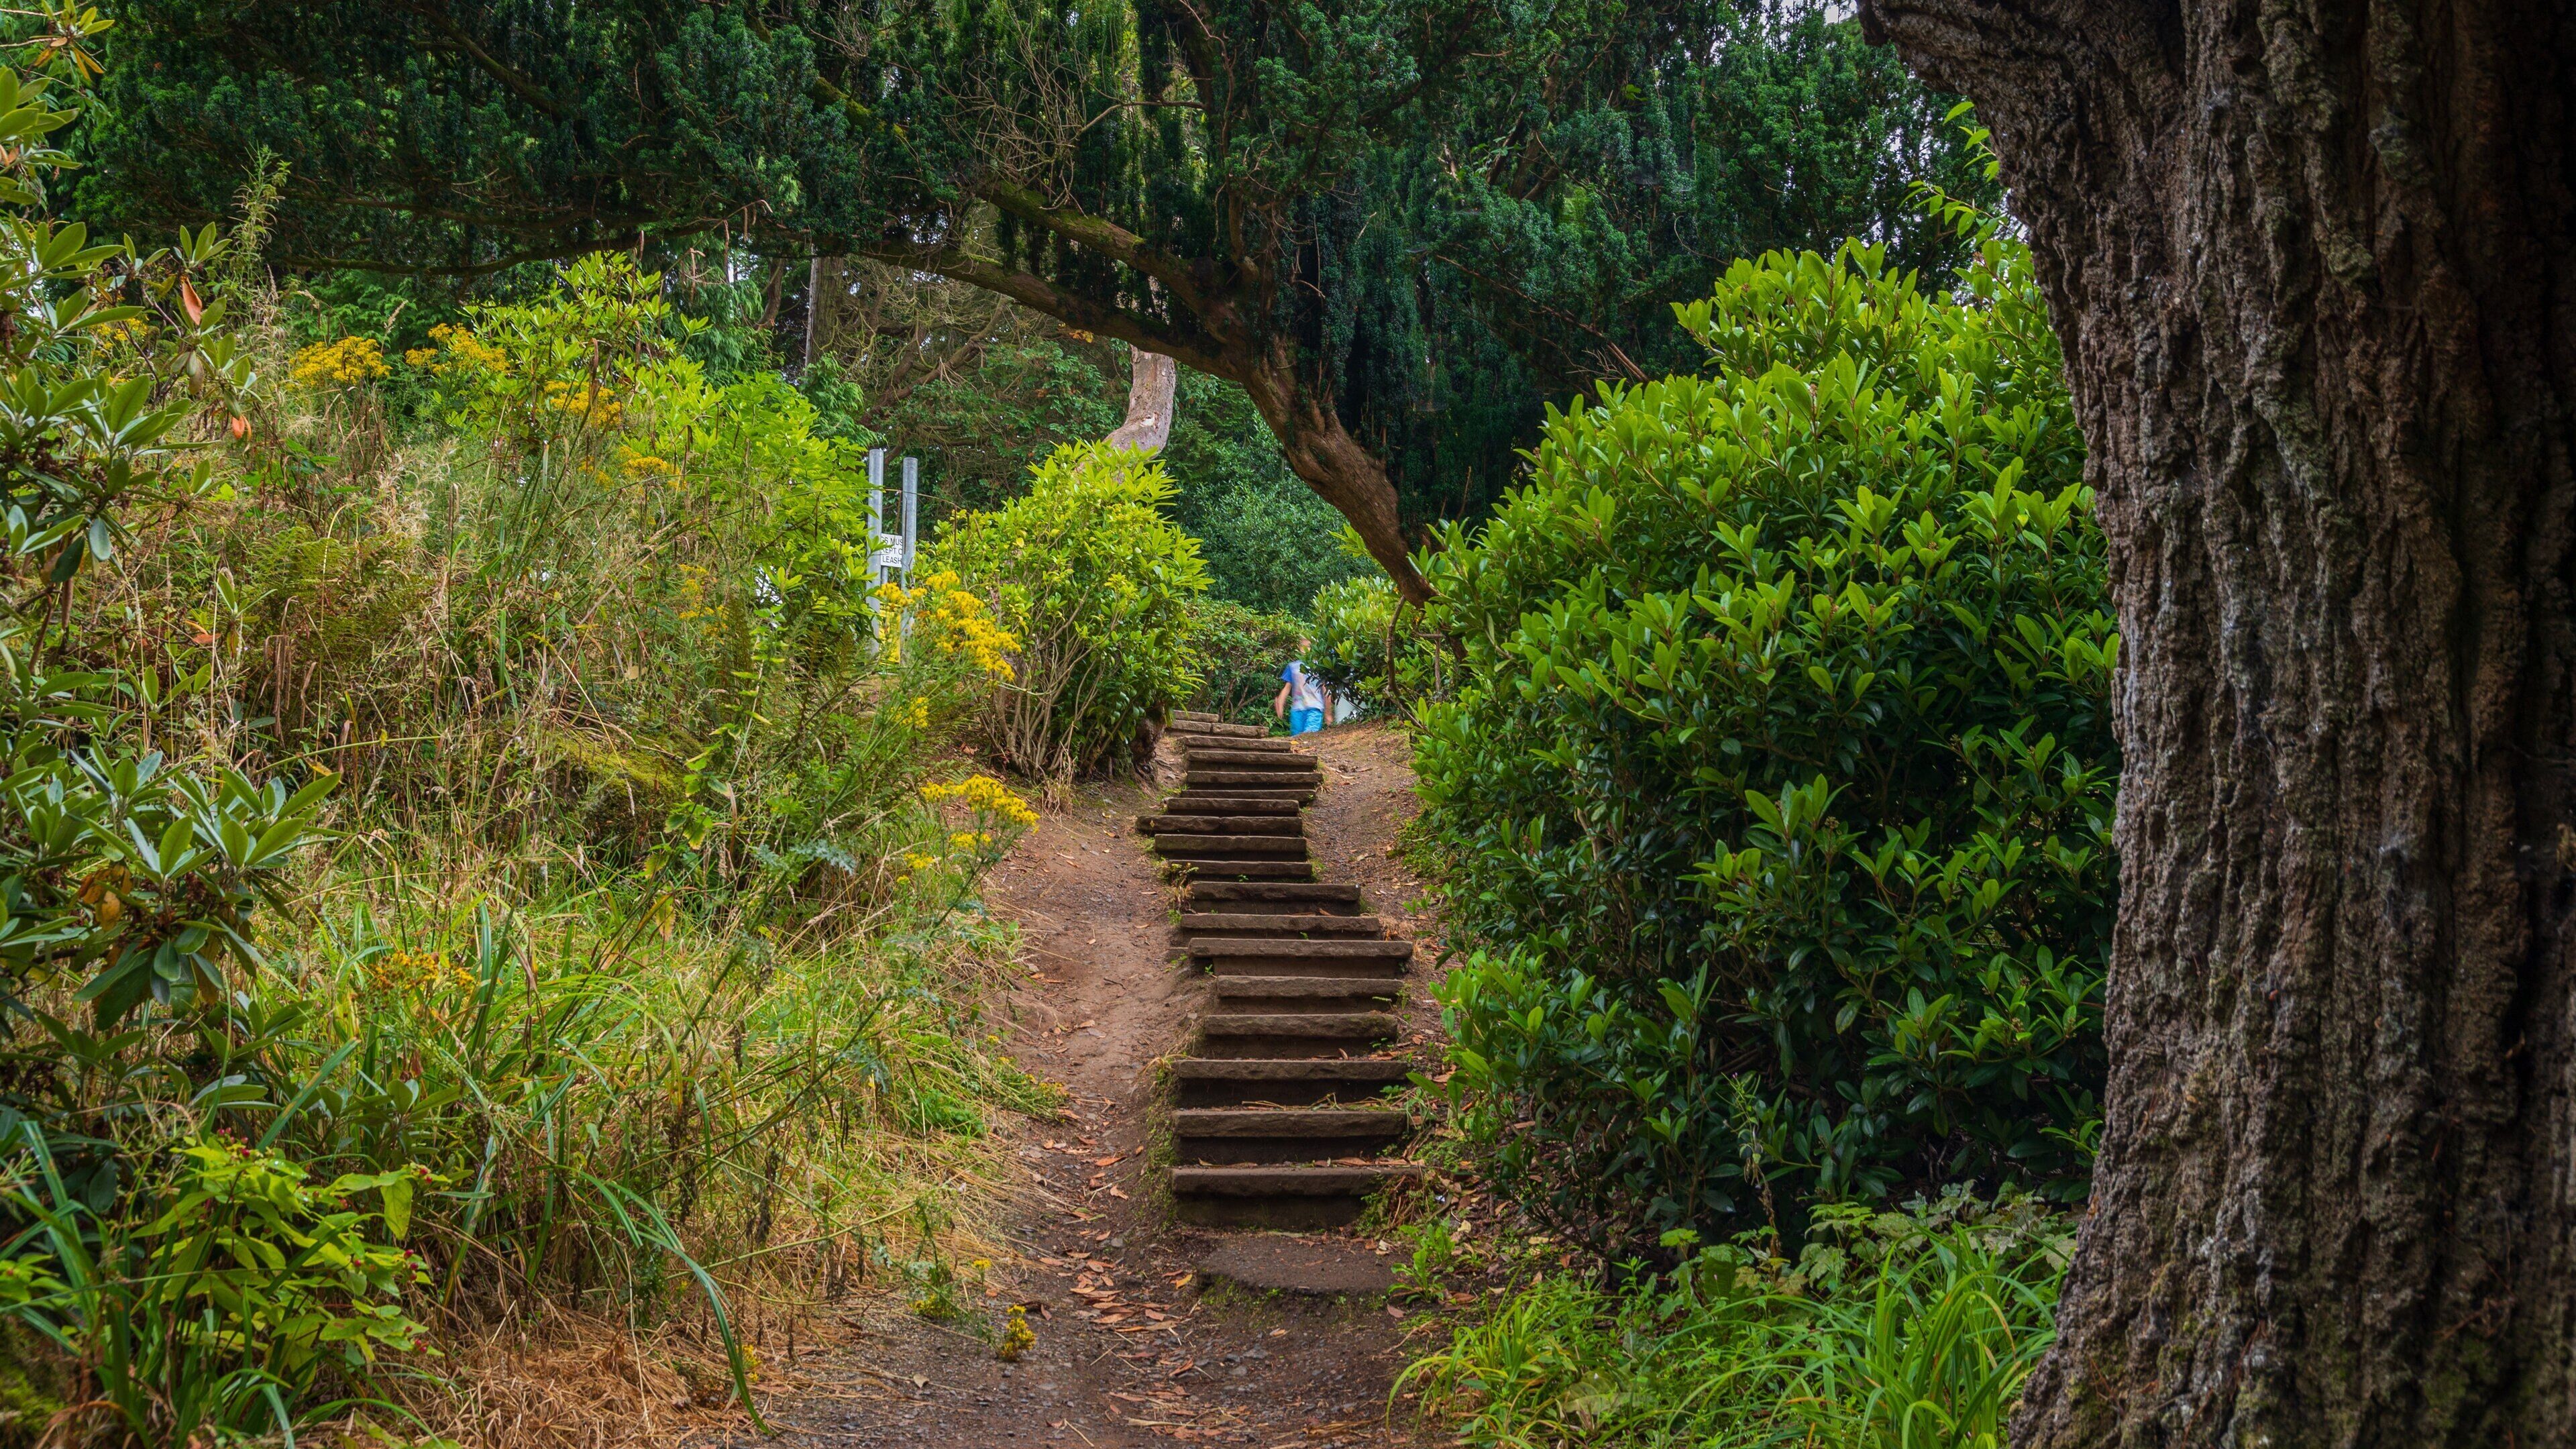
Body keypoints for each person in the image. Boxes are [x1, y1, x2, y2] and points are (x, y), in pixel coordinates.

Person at [1273, 641, 1331, 736]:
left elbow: (1325, 689)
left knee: (1309, 736)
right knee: (1296, 738)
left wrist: (1328, 713)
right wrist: (1280, 701)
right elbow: (1287, 687)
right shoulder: (1292, 667)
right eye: (1303, 645)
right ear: (1299, 647)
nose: (1305, 648)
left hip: (1315, 708)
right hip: (1297, 709)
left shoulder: (1320, 666)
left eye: (1308, 646)